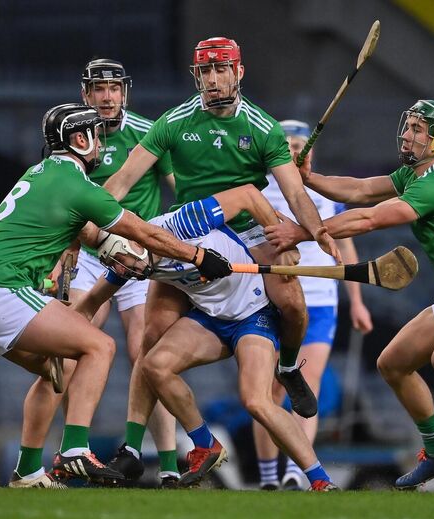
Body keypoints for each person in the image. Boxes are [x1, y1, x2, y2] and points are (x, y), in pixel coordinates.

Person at [0, 103, 232, 487]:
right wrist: (198, 256)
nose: (101, 143)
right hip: (4, 293)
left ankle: (28, 470)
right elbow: (146, 234)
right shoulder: (78, 185)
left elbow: (83, 229)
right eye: (96, 135)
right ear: (79, 139)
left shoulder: (40, 172)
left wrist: (108, 252)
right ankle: (73, 449)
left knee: (60, 368)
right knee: (100, 347)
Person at [100, 37, 339, 476]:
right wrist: (80, 219)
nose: (212, 79)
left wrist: (315, 231)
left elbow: (293, 193)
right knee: (149, 340)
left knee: (292, 303)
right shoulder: (174, 122)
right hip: (193, 228)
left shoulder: (263, 127)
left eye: (221, 70)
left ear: (239, 72)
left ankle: (287, 365)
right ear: (197, 76)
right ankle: (134, 450)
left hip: (248, 227)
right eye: (205, 72)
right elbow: (120, 181)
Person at [265, 100, 434, 493]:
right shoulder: (416, 173)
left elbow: (369, 218)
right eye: (409, 125)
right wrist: (310, 178)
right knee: (392, 364)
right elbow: (361, 190)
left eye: (418, 130)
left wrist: (303, 232)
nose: (407, 134)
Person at [73, 184, 339, 490]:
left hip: (253, 314)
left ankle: (320, 480)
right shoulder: (129, 263)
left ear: (135, 238)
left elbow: (248, 195)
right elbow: (89, 305)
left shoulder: (183, 222)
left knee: (256, 401)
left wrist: (282, 242)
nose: (126, 268)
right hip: (210, 318)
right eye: (114, 262)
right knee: (153, 364)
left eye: (122, 256)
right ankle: (205, 444)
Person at [69, 58, 179, 486]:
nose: (108, 96)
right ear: (86, 94)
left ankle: (168, 466)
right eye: (99, 88)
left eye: (114, 88)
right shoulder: (71, 134)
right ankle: (72, 454)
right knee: (73, 344)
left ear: (125, 92)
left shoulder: (149, 133)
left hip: (139, 255)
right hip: (89, 252)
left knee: (146, 352)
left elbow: (180, 189)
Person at [252, 120, 374, 491]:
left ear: (309, 149)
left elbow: (345, 241)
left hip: (320, 300)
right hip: (276, 299)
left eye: (299, 144)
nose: (292, 150)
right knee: (269, 392)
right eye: (285, 144)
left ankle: (295, 470)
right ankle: (270, 477)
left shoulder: (323, 191)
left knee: (308, 387)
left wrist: (356, 300)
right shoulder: (260, 188)